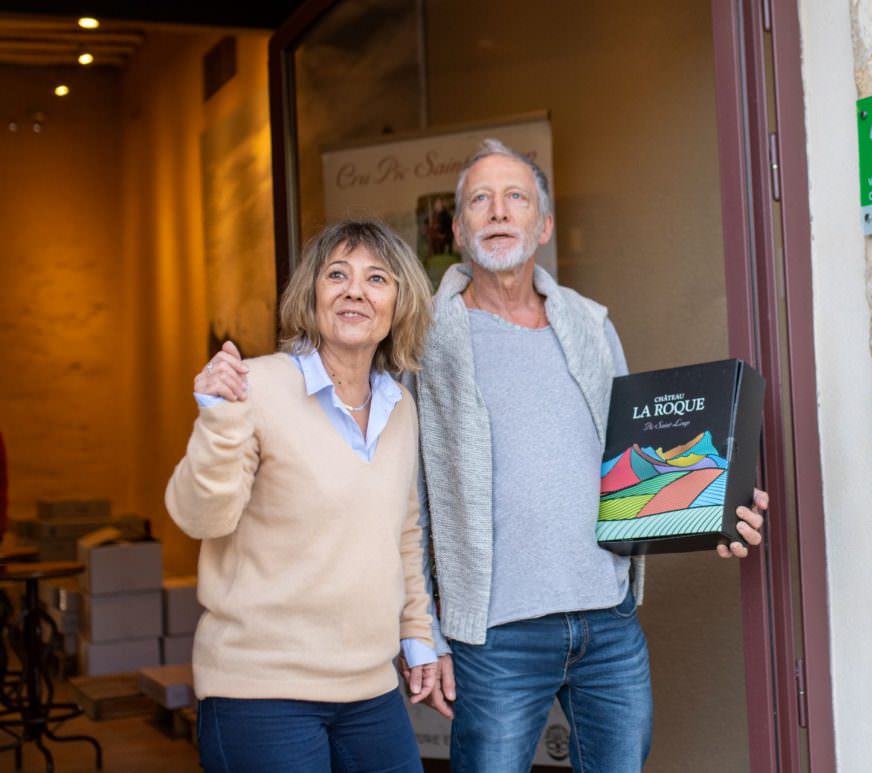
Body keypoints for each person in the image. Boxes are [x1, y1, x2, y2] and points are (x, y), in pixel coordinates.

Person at [403, 140, 768, 772]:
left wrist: (719, 505)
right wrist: (423, 634)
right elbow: (412, 501)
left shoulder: (591, 324)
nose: (498, 211)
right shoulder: (427, 341)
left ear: (542, 225)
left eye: (515, 197)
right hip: (495, 635)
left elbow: (637, 458)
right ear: (458, 229)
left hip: (608, 622)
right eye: (479, 201)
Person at [165, 219, 438, 772]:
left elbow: (404, 534)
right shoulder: (256, 385)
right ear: (311, 295)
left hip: (370, 688)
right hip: (260, 691)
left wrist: (417, 636)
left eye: (377, 278)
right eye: (337, 274)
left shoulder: (400, 408)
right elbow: (201, 518)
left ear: (398, 304)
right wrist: (219, 420)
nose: (355, 290)